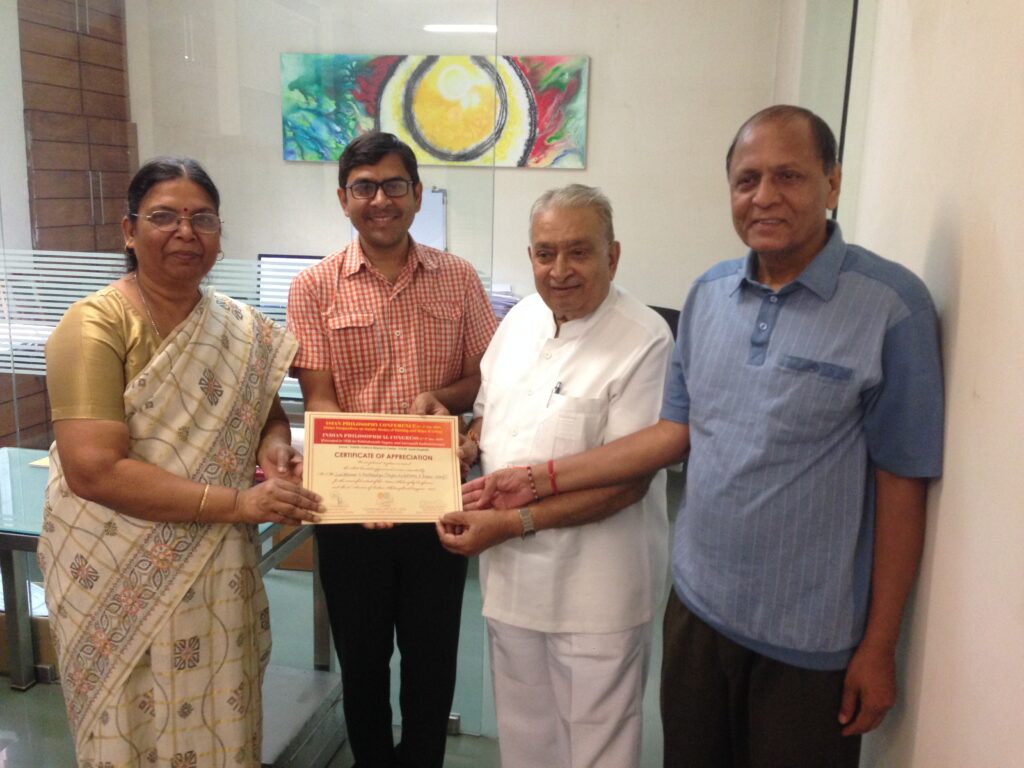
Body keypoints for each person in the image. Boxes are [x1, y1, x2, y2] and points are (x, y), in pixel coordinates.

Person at [464, 106, 945, 768]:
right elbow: (674, 434)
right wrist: (535, 476)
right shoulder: (711, 295)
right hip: (697, 612)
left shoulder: (891, 306)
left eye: (788, 176)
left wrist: (880, 645)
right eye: (747, 180)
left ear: (833, 182)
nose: (764, 196)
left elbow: (903, 485)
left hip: (808, 634)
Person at [37, 156, 324, 768]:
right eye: (164, 217)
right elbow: (94, 470)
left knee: (222, 720)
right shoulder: (93, 325)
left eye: (203, 219)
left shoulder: (240, 328)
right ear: (129, 230)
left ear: (219, 233)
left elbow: (267, 415)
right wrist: (239, 503)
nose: (185, 233)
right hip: (114, 568)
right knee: (129, 727)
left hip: (217, 565)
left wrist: (275, 448)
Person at [436, 184, 673, 768]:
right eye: (545, 253)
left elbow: (627, 483)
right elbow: (489, 412)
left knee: (596, 751)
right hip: (512, 584)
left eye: (578, 252)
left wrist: (511, 522)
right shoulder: (520, 319)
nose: (559, 270)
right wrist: (466, 443)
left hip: (597, 594)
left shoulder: (644, 340)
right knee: (525, 743)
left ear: (612, 255)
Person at [286, 131, 497, 768]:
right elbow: (320, 400)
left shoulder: (458, 278)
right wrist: (358, 485)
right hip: (353, 514)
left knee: (433, 660)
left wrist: (444, 400)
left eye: (394, 185)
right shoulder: (314, 287)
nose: (381, 200)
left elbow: (487, 377)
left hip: (438, 503)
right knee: (363, 662)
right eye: (365, 188)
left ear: (417, 194)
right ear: (343, 199)